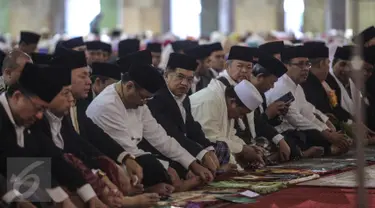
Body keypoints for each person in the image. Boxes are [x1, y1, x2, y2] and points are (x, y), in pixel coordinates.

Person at [33, 63, 160, 207]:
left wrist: (104, 177)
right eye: (65, 93)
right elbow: (26, 181)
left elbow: (78, 152)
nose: (70, 99)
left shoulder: (62, 116)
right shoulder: (28, 122)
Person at [86, 64, 214, 192]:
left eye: (148, 98)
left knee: (175, 161)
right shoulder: (107, 106)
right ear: (129, 86)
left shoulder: (138, 102)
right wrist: (166, 167)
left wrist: (193, 164)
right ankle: (161, 188)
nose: (145, 102)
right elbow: (129, 152)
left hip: (133, 156)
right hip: (115, 161)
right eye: (143, 97)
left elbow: (160, 138)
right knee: (151, 164)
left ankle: (168, 185)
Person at [0, 63, 104, 208]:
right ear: (17, 97)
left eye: (43, 109)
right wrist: (18, 201)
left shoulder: (27, 119)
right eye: (38, 108)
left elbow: (51, 158)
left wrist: (88, 196)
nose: (40, 115)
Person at [50, 47, 145, 192]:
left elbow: (91, 138)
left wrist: (124, 158)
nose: (89, 81)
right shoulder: (40, 115)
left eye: (89, 76)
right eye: (83, 76)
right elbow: (28, 184)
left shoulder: (77, 104)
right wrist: (101, 178)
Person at [147, 52, 234, 174]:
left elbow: (192, 126)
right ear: (166, 75)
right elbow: (173, 134)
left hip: (182, 147)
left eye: (189, 79)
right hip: (162, 151)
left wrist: (208, 148)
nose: (184, 83)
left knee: (220, 148)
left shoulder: (184, 97)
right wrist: (201, 154)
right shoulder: (157, 98)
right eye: (180, 77)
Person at [266, 45, 351, 156]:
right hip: (282, 132)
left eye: (307, 64)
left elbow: (308, 113)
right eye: (300, 64)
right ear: (286, 65)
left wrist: (328, 130)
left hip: (297, 130)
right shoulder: (280, 86)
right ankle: (324, 150)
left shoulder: (298, 86)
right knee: (306, 135)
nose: (306, 68)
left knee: (319, 134)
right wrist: (326, 134)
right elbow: (295, 118)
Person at [189, 72, 266, 168]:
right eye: (241, 113)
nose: (240, 117)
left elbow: (229, 136)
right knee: (220, 148)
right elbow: (210, 139)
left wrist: (247, 148)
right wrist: (242, 151)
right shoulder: (209, 101)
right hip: (193, 150)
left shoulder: (227, 104)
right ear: (233, 102)